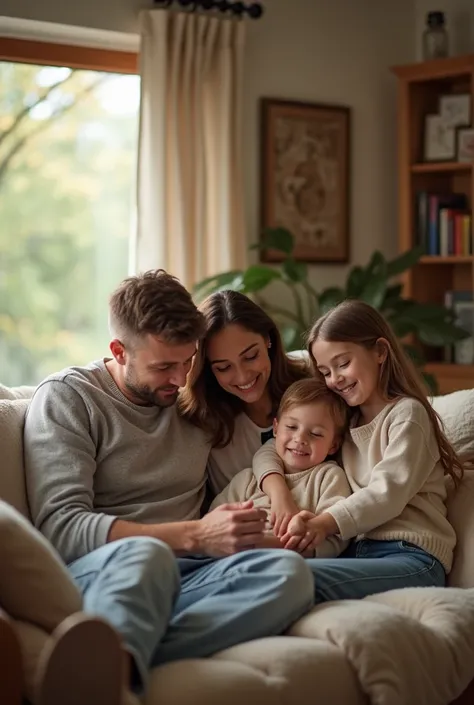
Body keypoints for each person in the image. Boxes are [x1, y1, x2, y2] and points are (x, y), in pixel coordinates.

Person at [23, 270, 314, 696]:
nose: (180, 381)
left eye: (188, 361)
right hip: (109, 570)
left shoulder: (196, 398)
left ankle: (112, 662)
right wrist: (195, 535)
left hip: (192, 574)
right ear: (119, 351)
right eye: (164, 367)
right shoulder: (70, 399)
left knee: (289, 575)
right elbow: (61, 529)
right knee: (146, 557)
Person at [253, 299, 464, 601]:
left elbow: (385, 494)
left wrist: (324, 523)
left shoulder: (407, 415)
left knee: (286, 576)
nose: (334, 379)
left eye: (343, 364)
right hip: (356, 552)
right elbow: (271, 448)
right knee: (264, 569)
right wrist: (279, 492)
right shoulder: (342, 422)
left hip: (411, 557)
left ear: (380, 351)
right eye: (325, 371)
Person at [179, 289, 310, 525]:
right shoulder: (203, 421)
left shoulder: (313, 372)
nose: (242, 376)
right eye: (223, 367)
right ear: (208, 369)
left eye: (250, 356)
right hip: (254, 543)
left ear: (268, 339)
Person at [210, 378, 352, 558]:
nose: (300, 439)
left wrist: (297, 547)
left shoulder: (329, 477)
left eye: (315, 433)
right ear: (275, 428)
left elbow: (338, 535)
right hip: (232, 560)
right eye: (291, 427)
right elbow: (212, 523)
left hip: (294, 560)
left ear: (333, 445)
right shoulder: (247, 479)